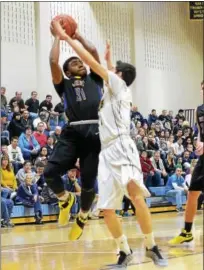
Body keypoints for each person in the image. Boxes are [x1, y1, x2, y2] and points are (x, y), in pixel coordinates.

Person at [52, 21, 167, 267]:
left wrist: (67, 38)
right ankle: (124, 252)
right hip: (106, 152)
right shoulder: (109, 91)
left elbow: (94, 64)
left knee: (136, 197)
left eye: (114, 68)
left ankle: (152, 246)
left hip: (122, 146)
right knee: (107, 209)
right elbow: (103, 66)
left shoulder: (117, 85)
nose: (109, 69)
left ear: (120, 76)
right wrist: (108, 56)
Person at [44, 21, 103, 240]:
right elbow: (53, 60)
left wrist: (77, 35)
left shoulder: (95, 78)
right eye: (75, 63)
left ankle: (83, 215)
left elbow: (94, 51)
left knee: (88, 183)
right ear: (67, 71)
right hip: (72, 132)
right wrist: (58, 36)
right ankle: (64, 199)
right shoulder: (63, 83)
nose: (81, 63)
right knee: (49, 172)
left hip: (94, 133)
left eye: (81, 61)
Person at [169, 81, 204, 245]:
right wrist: (199, 143)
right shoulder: (199, 110)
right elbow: (200, 132)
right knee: (192, 193)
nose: (203, 91)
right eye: (202, 88)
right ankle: (187, 232)